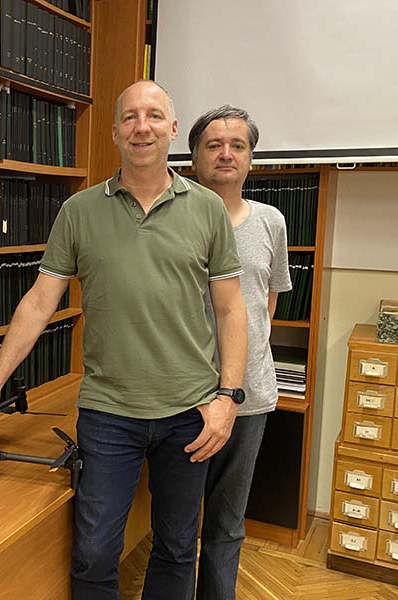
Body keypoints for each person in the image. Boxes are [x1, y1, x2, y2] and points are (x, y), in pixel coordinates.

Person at [0, 80, 248, 600]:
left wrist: (228, 398)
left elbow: (231, 308)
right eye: (130, 117)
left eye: (154, 116)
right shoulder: (79, 211)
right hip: (108, 414)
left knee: (176, 548)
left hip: (190, 411)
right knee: (95, 554)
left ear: (173, 129)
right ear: (114, 132)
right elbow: (39, 302)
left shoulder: (207, 209)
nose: (142, 127)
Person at [189, 106, 292, 600]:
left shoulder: (271, 221)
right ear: (194, 158)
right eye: (213, 145)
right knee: (175, 522)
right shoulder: (173, 218)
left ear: (251, 159)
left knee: (227, 523)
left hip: (248, 398)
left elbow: (265, 302)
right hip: (183, 395)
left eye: (238, 146)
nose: (226, 154)